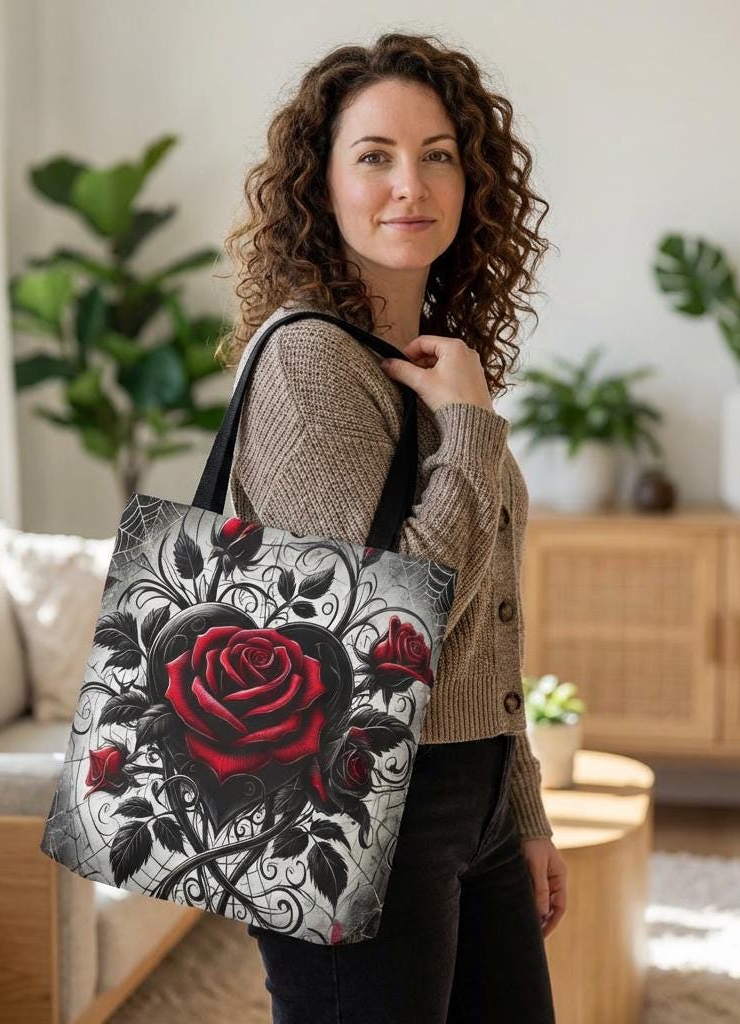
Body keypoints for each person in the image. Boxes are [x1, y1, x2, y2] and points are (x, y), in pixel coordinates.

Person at [215, 30, 568, 1023]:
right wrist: (469, 426)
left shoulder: (425, 360)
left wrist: (518, 805)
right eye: (373, 155)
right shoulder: (310, 364)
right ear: (320, 186)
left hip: (470, 793)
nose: (409, 183)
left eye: (438, 154)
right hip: (352, 798)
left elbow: (488, 615)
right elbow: (381, 639)